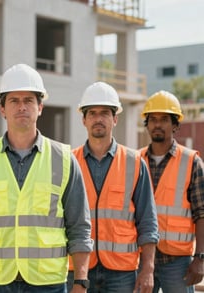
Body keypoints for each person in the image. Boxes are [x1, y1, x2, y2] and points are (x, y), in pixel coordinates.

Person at [0, 63, 93, 293]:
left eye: (28, 100)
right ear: (2, 109)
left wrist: (80, 282)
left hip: (47, 283)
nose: (21, 107)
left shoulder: (64, 160)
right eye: (14, 101)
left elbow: (79, 228)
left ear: (40, 107)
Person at [71, 81, 159, 293]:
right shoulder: (70, 162)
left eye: (105, 113)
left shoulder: (135, 162)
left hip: (122, 272)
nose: (98, 119)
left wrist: (148, 270)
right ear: (84, 119)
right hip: (80, 270)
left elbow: (147, 221)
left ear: (115, 118)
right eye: (92, 113)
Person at [140, 90, 204, 293]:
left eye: (164, 119)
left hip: (178, 262)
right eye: (153, 119)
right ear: (147, 124)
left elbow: (201, 213)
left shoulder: (191, 162)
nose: (158, 124)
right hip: (141, 258)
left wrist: (200, 258)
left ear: (175, 124)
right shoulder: (134, 160)